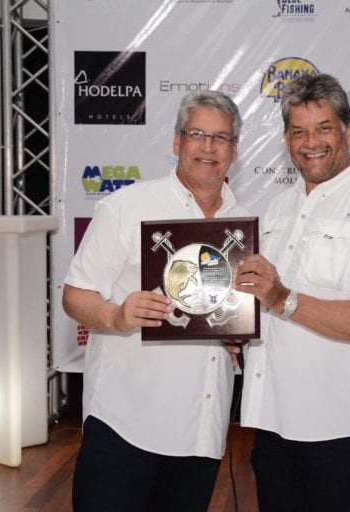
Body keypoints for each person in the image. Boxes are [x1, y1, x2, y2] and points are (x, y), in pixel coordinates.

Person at [234, 73, 350, 511]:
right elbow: (264, 304)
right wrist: (233, 326)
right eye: (298, 131)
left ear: (348, 132)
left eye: (324, 128)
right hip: (272, 420)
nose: (311, 142)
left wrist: (282, 299)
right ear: (286, 140)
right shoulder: (279, 208)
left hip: (341, 428)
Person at [62, 90, 248, 511]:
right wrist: (116, 314)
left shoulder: (242, 227)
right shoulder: (126, 208)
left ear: (234, 150)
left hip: (201, 431)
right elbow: (74, 296)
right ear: (177, 141)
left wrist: (238, 333)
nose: (208, 147)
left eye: (221, 138)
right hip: (125, 425)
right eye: (197, 134)